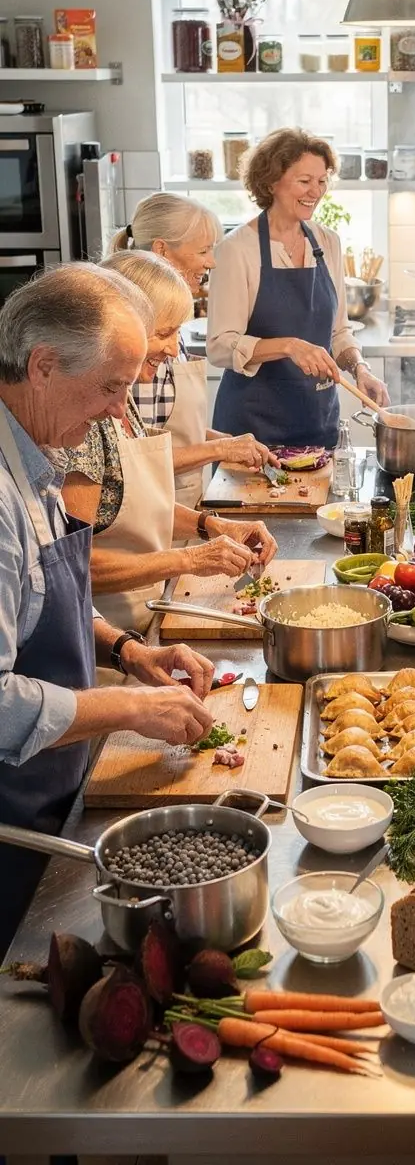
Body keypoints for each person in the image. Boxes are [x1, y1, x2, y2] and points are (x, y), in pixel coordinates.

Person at [0, 264, 215, 950]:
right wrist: (129, 708)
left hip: (56, 794)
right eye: (112, 386)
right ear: (43, 366)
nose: (120, 412)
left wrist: (128, 652)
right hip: (12, 826)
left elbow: (44, 604)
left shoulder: (35, 459)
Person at [61, 251, 276, 635]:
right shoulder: (88, 419)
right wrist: (190, 559)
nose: (174, 348)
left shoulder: (122, 397)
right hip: (106, 637)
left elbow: (141, 504)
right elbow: (80, 565)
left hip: (148, 615)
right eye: (164, 332)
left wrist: (212, 525)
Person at [207, 128, 390, 448]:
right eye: (304, 181)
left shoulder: (327, 242)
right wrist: (288, 345)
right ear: (271, 182)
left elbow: (338, 332)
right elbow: (220, 346)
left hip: (316, 423)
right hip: (252, 432)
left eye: (321, 181)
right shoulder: (237, 249)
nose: (315, 192)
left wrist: (360, 369)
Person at [112, 192, 277, 508]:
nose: (211, 261)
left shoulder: (167, 326)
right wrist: (222, 451)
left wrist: (228, 443)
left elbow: (167, 430)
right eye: (202, 250)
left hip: (177, 505)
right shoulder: (138, 336)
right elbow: (136, 454)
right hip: (147, 510)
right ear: (162, 250)